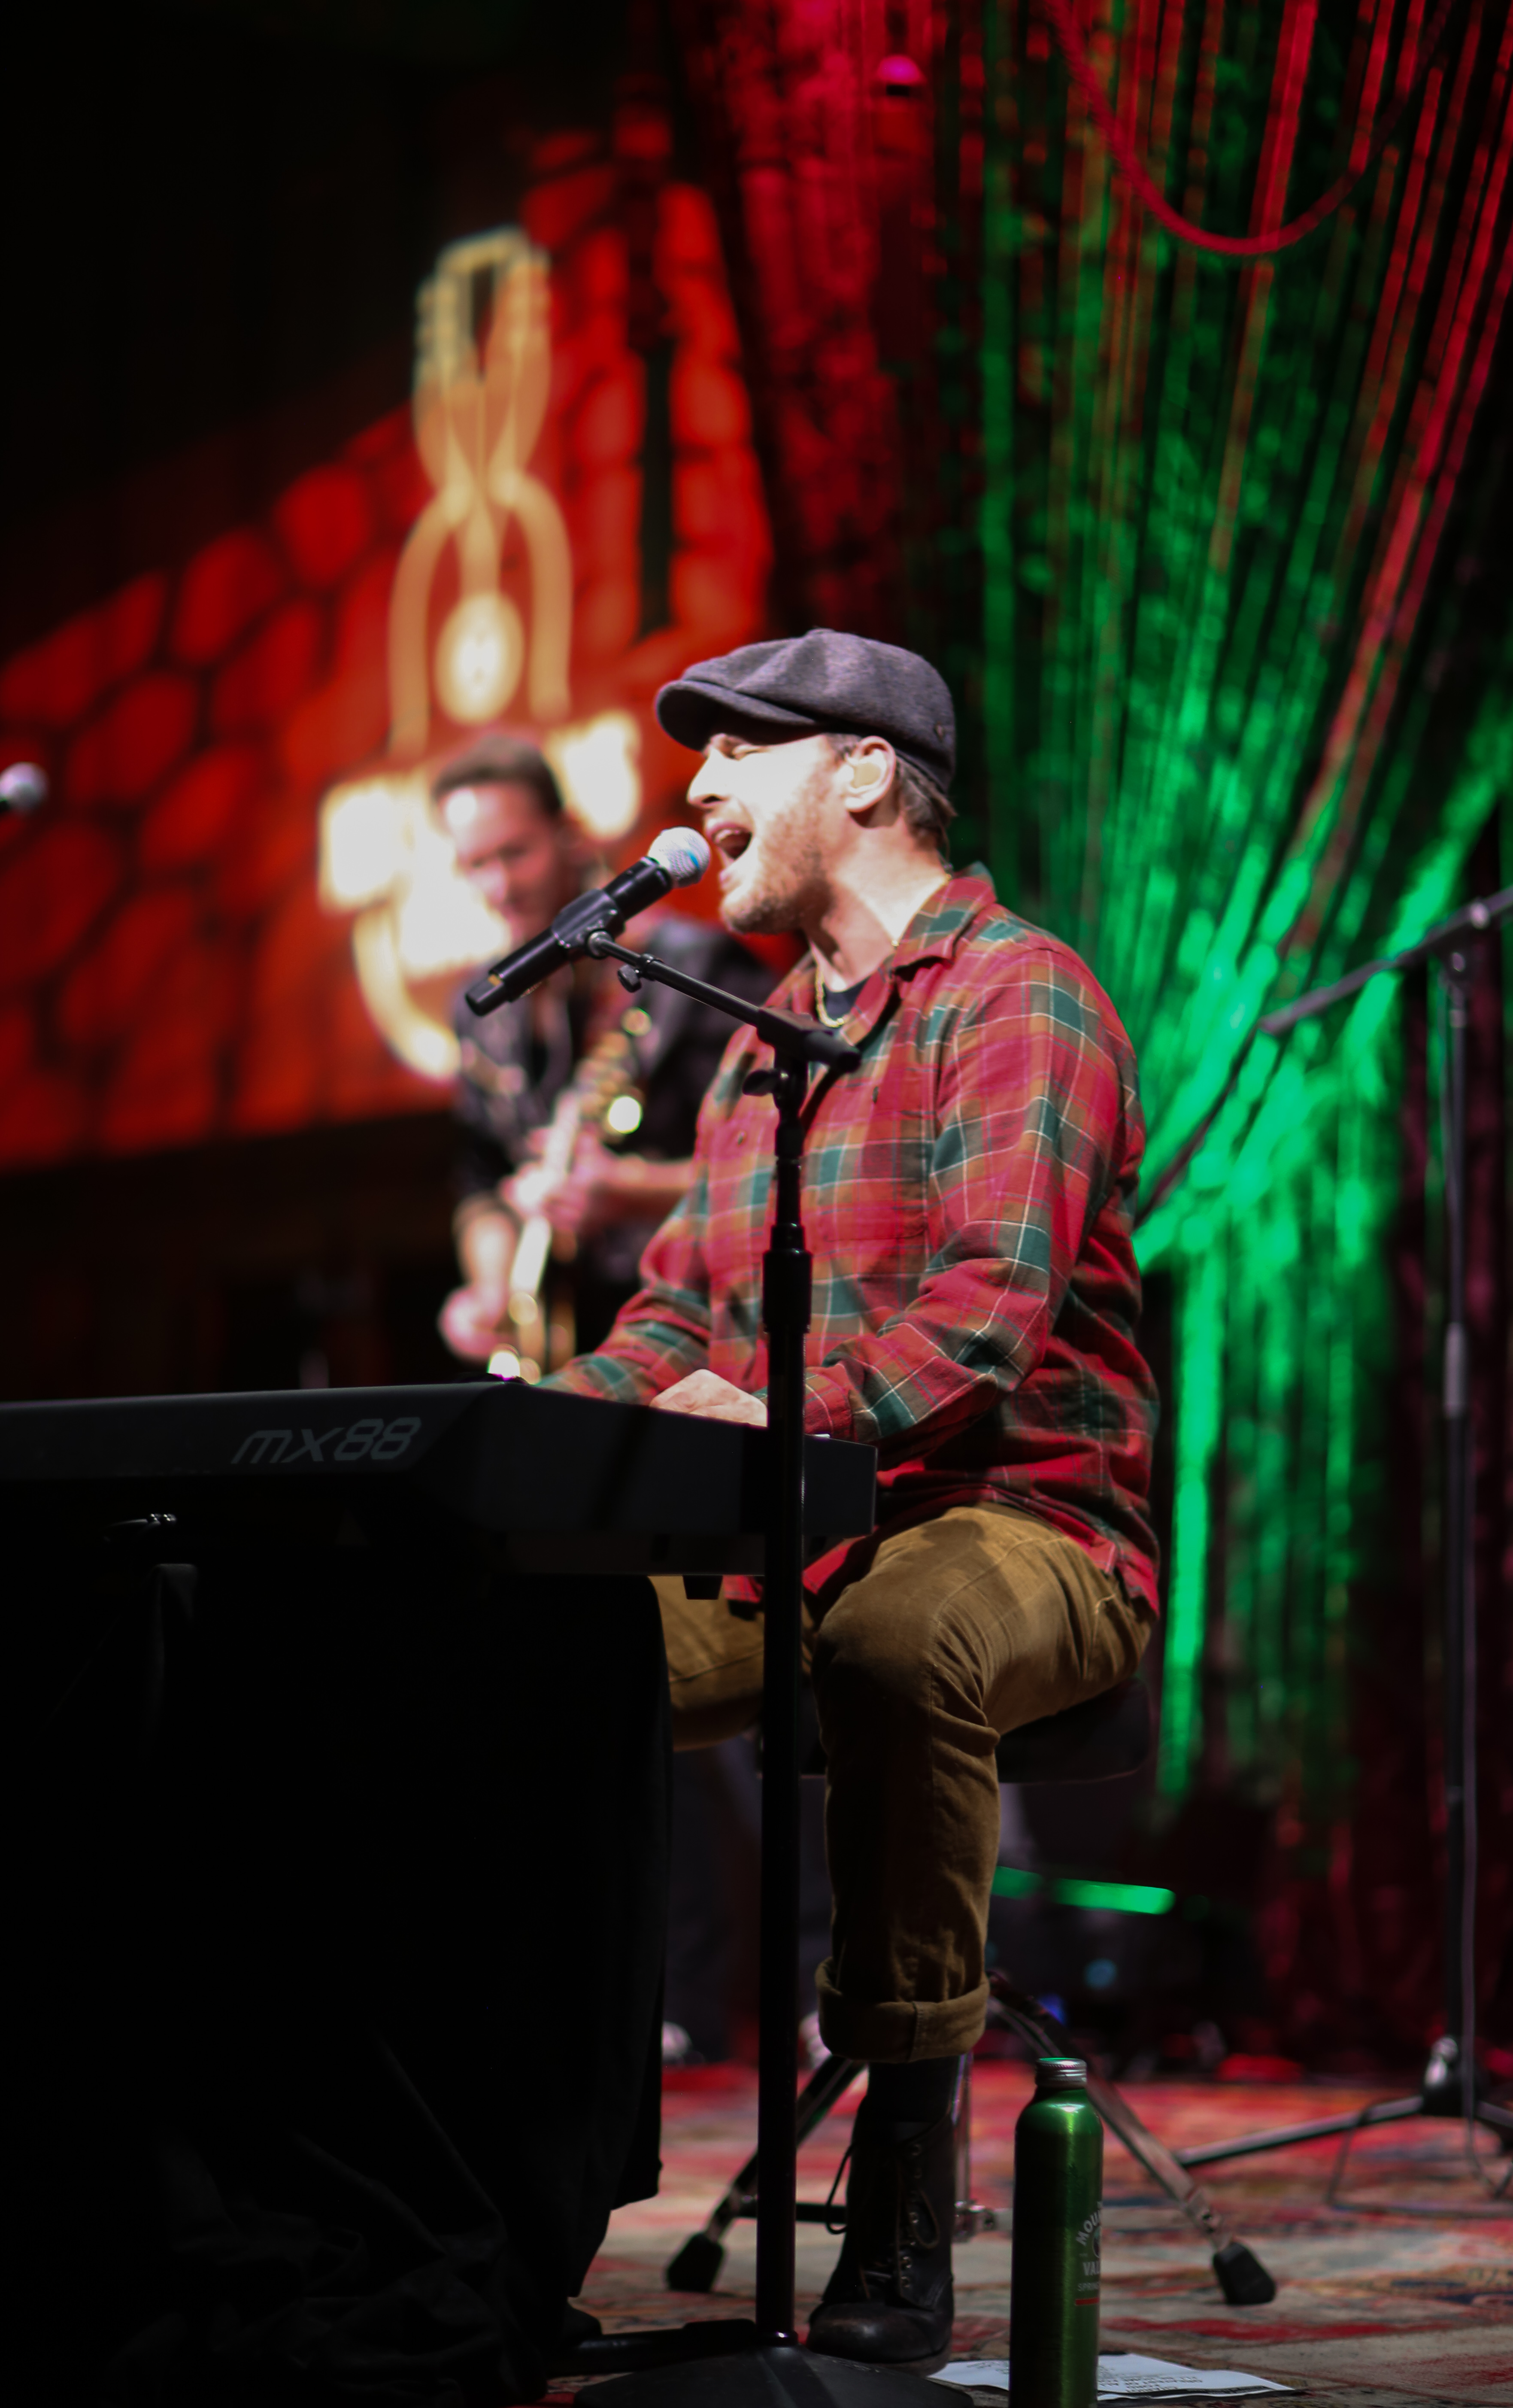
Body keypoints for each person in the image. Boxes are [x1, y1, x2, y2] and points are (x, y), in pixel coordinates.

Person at [548, 630, 1158, 2371]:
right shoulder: (765, 1052)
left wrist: (771, 1415)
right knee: (537, 1646)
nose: (697, 794)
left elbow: (984, 1316)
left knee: (898, 1634)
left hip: (1028, 1525)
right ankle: (520, 2165)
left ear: (867, 773)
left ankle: (905, 2187)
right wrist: (511, 1432)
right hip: (783, 1527)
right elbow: (675, 1314)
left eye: (735, 753)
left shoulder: (1019, 993)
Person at [432, 733, 772, 1369]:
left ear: (570, 833)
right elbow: (482, 1178)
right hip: (576, 1343)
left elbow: (779, 1167)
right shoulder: (482, 1010)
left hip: (706, 1326)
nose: (499, 885)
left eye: (516, 853)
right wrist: (490, 1291)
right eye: (476, 864)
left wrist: (631, 1193)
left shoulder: (693, 968)